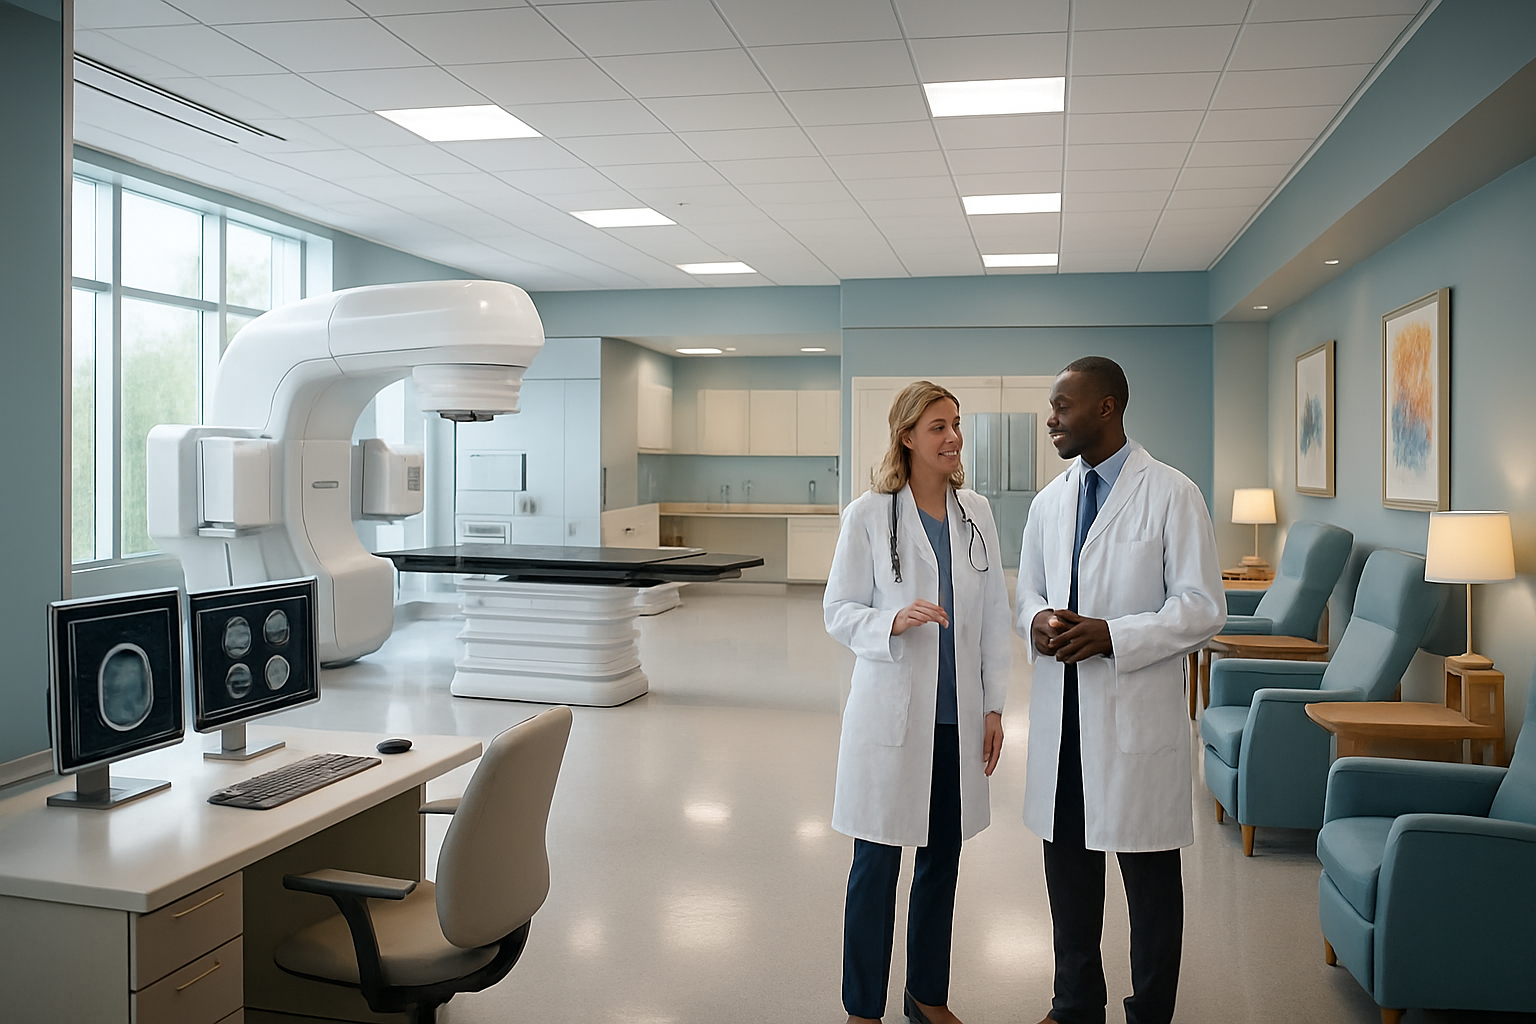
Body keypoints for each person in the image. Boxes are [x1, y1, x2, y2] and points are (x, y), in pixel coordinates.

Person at [1014, 357, 1224, 1024]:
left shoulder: (1171, 493)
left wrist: (1115, 636)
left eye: (1063, 406)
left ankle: (1149, 1012)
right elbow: (1027, 591)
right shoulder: (1050, 502)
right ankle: (1075, 1004)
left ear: (1107, 407)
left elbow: (1201, 607)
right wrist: (1038, 620)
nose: (1051, 418)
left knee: (1150, 884)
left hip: (1133, 717)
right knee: (1070, 877)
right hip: (1064, 716)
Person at [825, 381, 1013, 1024]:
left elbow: (993, 618)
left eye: (956, 424)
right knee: (875, 867)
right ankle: (862, 1010)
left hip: (957, 720)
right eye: (938, 426)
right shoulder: (870, 514)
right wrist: (891, 621)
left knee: (942, 862)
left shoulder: (976, 514)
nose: (953, 437)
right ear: (907, 436)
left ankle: (927, 996)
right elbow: (838, 610)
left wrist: (993, 709)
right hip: (892, 717)